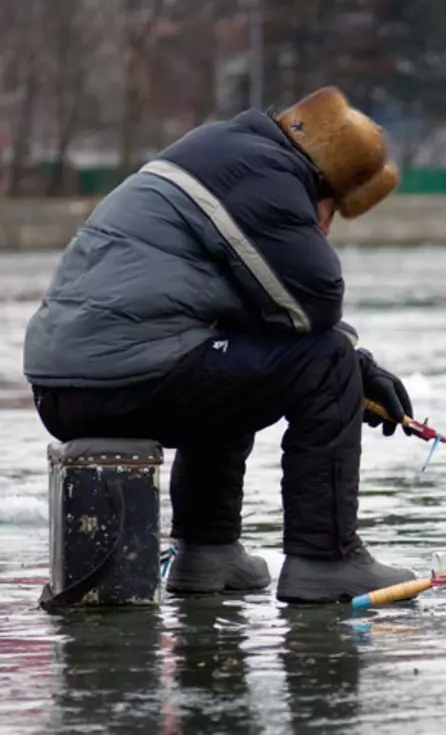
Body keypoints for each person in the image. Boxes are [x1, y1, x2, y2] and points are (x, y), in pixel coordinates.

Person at [22, 86, 420, 604]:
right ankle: (326, 558)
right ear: (321, 180)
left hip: (63, 387)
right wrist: (355, 367)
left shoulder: (220, 151)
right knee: (326, 364)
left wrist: (359, 365)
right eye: (330, 210)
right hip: (129, 375)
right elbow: (318, 299)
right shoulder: (267, 178)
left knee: (231, 360)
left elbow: (261, 317)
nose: (323, 225)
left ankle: (207, 551)